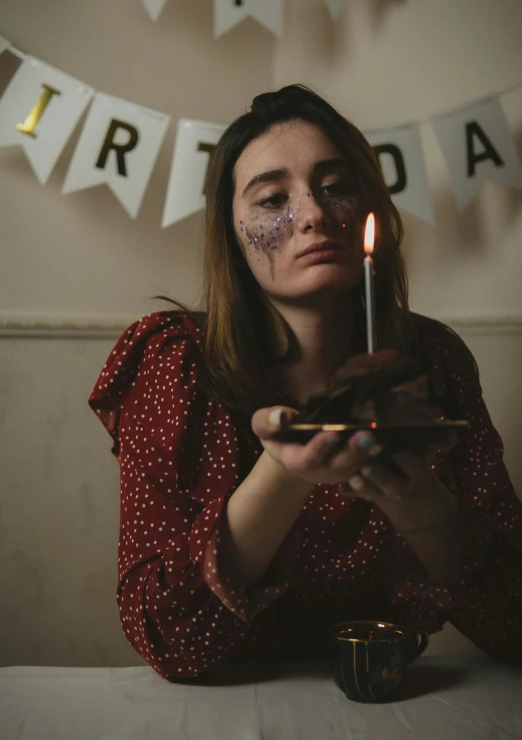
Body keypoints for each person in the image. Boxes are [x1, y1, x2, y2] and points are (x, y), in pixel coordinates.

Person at [88, 85, 522, 682]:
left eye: (337, 186)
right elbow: (169, 642)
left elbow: (512, 622)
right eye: (271, 198)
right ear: (232, 234)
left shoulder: (436, 361)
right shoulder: (175, 362)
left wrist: (411, 489)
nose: (314, 214)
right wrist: (284, 471)